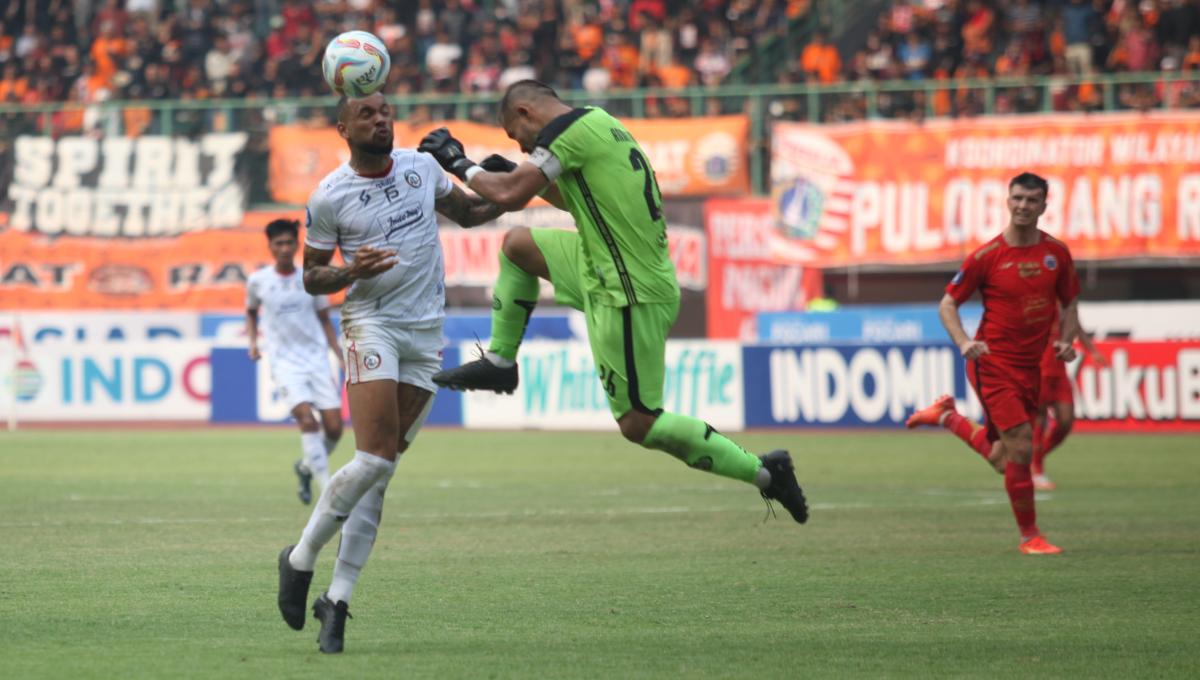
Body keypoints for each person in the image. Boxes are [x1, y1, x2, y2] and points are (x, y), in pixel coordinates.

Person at [417, 80, 808, 525]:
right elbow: (575, 200)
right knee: (519, 246)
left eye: (515, 136)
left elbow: (508, 194)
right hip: (601, 266)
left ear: (525, 112)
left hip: (628, 290)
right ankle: (501, 364)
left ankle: (765, 472)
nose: (522, 147)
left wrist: (457, 162)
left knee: (639, 422)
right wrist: (510, 170)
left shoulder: (567, 132)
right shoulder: (599, 123)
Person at [275, 91, 507, 654]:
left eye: (385, 112)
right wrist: (351, 270)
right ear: (343, 128)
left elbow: (472, 213)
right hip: (371, 323)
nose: (382, 120)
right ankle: (300, 557)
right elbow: (311, 278)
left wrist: (502, 186)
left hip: (426, 334)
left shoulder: (421, 168)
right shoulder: (329, 196)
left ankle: (338, 601)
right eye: (368, 115)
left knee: (381, 472)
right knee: (374, 457)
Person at [906, 172, 1081, 556]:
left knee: (1006, 459)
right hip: (992, 364)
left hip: (1030, 368)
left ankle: (946, 417)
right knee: (1021, 445)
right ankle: (1030, 537)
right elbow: (948, 304)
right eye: (1017, 198)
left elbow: (1069, 302)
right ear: (1007, 201)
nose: (1023, 205)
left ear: (1043, 206)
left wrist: (1067, 339)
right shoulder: (987, 257)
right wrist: (965, 341)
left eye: (1031, 200)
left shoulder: (1057, 255)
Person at [246, 218, 345, 505]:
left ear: (297, 245)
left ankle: (305, 467)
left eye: (290, 243)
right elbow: (251, 312)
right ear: (270, 247)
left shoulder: (310, 279)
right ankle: (328, 490)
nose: (285, 249)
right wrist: (253, 342)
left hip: (316, 359)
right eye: (279, 244)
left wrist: (337, 353)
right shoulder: (258, 281)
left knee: (335, 428)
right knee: (306, 418)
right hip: (284, 363)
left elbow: (325, 319)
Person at [1032, 317, 1106, 490]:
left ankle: (1034, 459)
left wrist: (1092, 351)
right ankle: (1037, 472)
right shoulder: (1035, 302)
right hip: (1039, 370)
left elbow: (1075, 325)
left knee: (1066, 421)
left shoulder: (1064, 302)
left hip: (1059, 373)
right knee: (1039, 420)